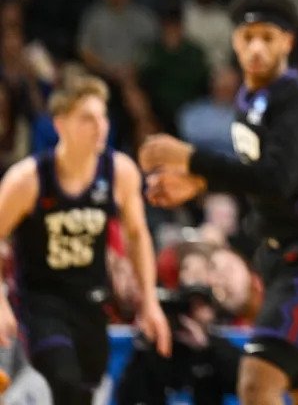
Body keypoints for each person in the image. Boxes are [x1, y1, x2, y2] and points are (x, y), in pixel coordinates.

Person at [137, 0, 298, 405]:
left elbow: (277, 179)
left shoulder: (297, 98)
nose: (256, 47)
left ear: (288, 42)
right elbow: (258, 176)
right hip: (282, 260)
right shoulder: (249, 100)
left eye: (268, 37)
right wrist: (201, 183)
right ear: (234, 41)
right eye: (247, 37)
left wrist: (191, 159)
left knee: (256, 385)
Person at [0, 73, 170, 405]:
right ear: (60, 124)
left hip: (90, 301)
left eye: (103, 116)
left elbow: (137, 235)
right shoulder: (28, 179)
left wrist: (149, 300)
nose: (100, 126)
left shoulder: (119, 172)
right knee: (63, 380)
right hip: (40, 302)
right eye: (87, 118)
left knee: (82, 394)